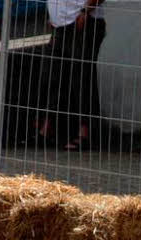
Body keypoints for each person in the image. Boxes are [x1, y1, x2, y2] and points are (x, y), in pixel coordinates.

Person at [35, 0, 106, 152]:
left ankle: (85, 133)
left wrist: (86, 11)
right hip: (60, 25)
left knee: (81, 77)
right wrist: (55, 17)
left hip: (84, 20)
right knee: (52, 75)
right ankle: (47, 128)